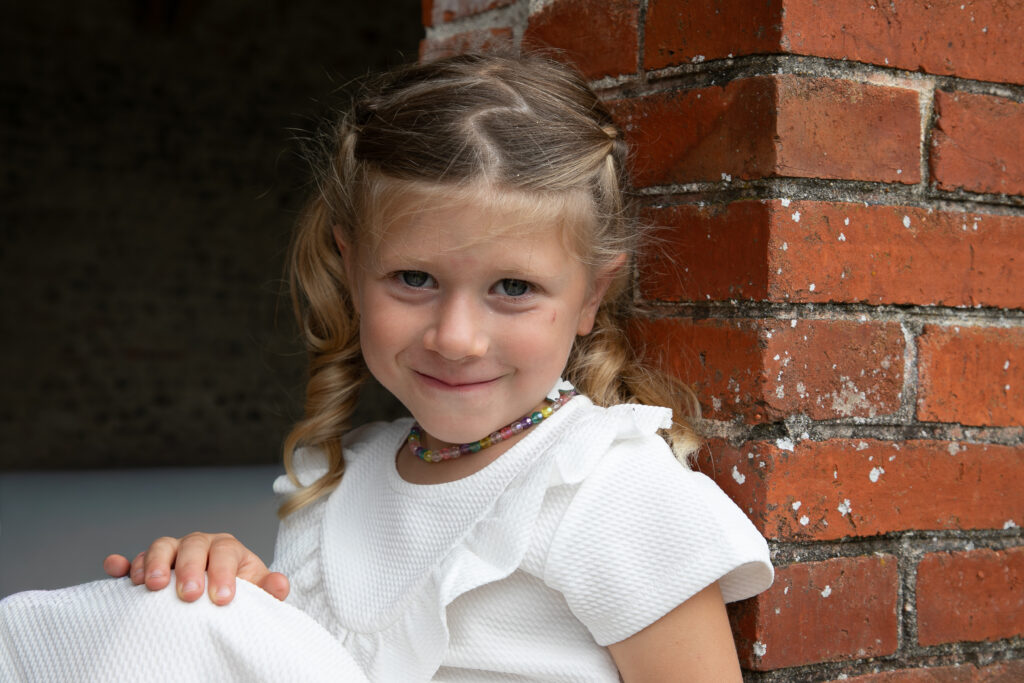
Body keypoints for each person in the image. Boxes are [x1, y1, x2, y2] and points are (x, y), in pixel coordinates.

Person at [5, 53, 772, 681]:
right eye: (413, 279)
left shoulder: (604, 487)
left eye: (514, 287)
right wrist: (229, 595)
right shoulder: (340, 482)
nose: (457, 336)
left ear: (589, 298)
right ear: (351, 264)